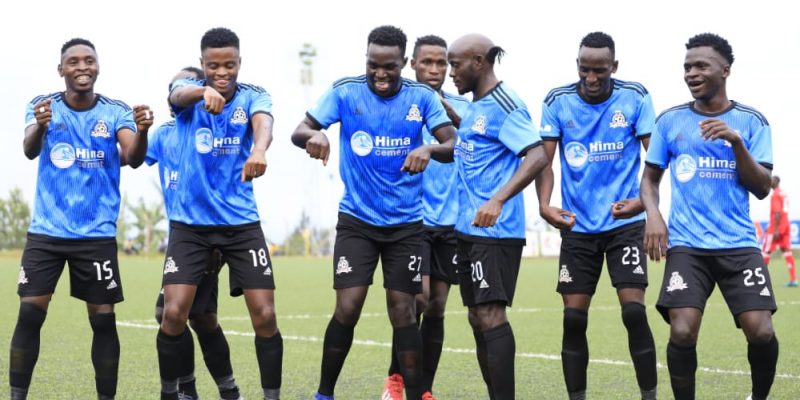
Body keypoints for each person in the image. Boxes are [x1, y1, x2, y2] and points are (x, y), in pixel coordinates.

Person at [291, 25, 456, 400]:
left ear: (403, 64)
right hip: (357, 222)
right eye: (373, 65)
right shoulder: (345, 91)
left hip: (406, 225)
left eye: (390, 67)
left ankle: (413, 393)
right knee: (348, 307)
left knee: (404, 311)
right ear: (366, 60)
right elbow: (300, 129)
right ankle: (324, 393)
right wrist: (313, 136)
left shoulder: (422, 98)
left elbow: (451, 141)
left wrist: (428, 149)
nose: (380, 74)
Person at [10, 38, 152, 400]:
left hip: (95, 234)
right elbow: (29, 150)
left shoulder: (115, 111)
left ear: (98, 67)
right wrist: (41, 126)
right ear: (61, 70)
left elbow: (133, 157)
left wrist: (143, 130)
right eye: (73, 62)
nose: (82, 67)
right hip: (47, 233)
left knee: (103, 321)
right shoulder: (42, 106)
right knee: (30, 316)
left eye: (89, 60)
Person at [641, 33, 778, 400]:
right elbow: (650, 180)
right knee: (682, 331)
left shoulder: (751, 122)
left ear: (725, 70)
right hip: (688, 246)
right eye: (687, 66)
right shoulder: (669, 121)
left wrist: (736, 143)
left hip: (738, 244)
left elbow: (762, 186)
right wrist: (653, 215)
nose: (691, 73)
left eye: (701, 65)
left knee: (761, 331)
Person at [157, 27, 281, 400]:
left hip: (241, 225)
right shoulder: (189, 98)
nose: (222, 72)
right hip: (191, 228)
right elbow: (176, 93)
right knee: (174, 314)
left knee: (265, 316)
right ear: (203, 65)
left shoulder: (254, 96)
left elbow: (265, 123)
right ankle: (170, 393)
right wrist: (202, 90)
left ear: (240, 62)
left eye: (229, 65)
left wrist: (259, 151)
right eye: (214, 66)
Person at [535, 31, 657, 400]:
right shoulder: (557, 101)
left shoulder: (635, 97)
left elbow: (655, 160)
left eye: (599, 71)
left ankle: (649, 396)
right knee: (573, 319)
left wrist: (643, 202)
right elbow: (544, 161)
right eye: (584, 69)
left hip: (625, 224)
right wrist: (545, 205)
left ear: (614, 67)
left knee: (634, 313)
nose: (591, 78)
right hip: (578, 227)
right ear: (577, 66)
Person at [447, 33, 548, 400]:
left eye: (455, 64)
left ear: (479, 62)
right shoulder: (475, 105)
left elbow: (537, 156)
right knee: (477, 318)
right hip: (468, 231)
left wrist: (498, 200)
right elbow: (479, 139)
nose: (450, 72)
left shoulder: (506, 104)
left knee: (491, 316)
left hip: (495, 232)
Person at [380, 34, 470, 400]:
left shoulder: (462, 105)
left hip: (450, 222)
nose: (434, 70)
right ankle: (396, 380)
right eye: (426, 62)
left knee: (436, 306)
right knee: (416, 300)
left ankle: (424, 389)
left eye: (441, 63)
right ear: (411, 64)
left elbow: (479, 144)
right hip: (412, 219)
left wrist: (454, 116)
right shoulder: (399, 103)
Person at [148, 66, 242, 400]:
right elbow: (131, 157)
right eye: (176, 87)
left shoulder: (214, 131)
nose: (182, 91)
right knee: (178, 314)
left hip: (206, 237)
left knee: (196, 317)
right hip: (181, 238)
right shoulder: (164, 133)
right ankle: (196, 389)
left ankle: (219, 390)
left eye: (191, 85)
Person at [762, 175, 797, 287]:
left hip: (776, 227)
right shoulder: (783, 193)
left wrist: (776, 229)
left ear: (776, 182)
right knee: (786, 250)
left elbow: (777, 213)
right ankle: (793, 279)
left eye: (771, 180)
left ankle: (761, 279)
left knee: (765, 251)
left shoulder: (775, 195)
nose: (770, 181)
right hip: (786, 224)